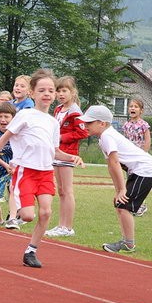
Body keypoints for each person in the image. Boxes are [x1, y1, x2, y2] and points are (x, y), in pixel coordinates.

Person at [0, 71, 84, 268]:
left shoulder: (53, 122)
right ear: (32, 93)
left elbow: (55, 151)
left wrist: (71, 157)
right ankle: (18, 212)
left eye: (51, 90)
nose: (47, 94)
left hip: (45, 172)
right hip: (25, 171)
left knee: (45, 212)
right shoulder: (25, 115)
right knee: (28, 216)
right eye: (42, 90)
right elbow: (3, 139)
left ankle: (31, 251)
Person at [78, 105, 152, 254]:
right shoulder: (103, 137)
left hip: (146, 171)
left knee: (124, 206)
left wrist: (122, 189)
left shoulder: (107, 136)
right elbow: (111, 166)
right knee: (120, 204)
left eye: (89, 122)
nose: (85, 125)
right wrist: (118, 191)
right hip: (140, 171)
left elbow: (115, 162)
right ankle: (126, 241)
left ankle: (128, 243)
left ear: (102, 123)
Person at [45, 76, 88, 237]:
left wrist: (62, 137)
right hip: (57, 153)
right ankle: (61, 225)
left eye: (64, 91)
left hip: (68, 153)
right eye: (58, 91)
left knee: (67, 190)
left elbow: (83, 132)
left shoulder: (75, 112)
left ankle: (68, 227)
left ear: (72, 92)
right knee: (61, 191)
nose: (61, 94)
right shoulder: (58, 109)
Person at [121, 98, 151, 216]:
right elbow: (124, 140)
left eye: (136, 106)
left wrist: (144, 154)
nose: (133, 108)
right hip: (129, 157)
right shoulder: (126, 125)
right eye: (131, 106)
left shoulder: (144, 125)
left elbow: (147, 141)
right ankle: (131, 203)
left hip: (140, 156)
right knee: (130, 180)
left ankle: (141, 205)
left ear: (141, 110)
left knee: (139, 181)